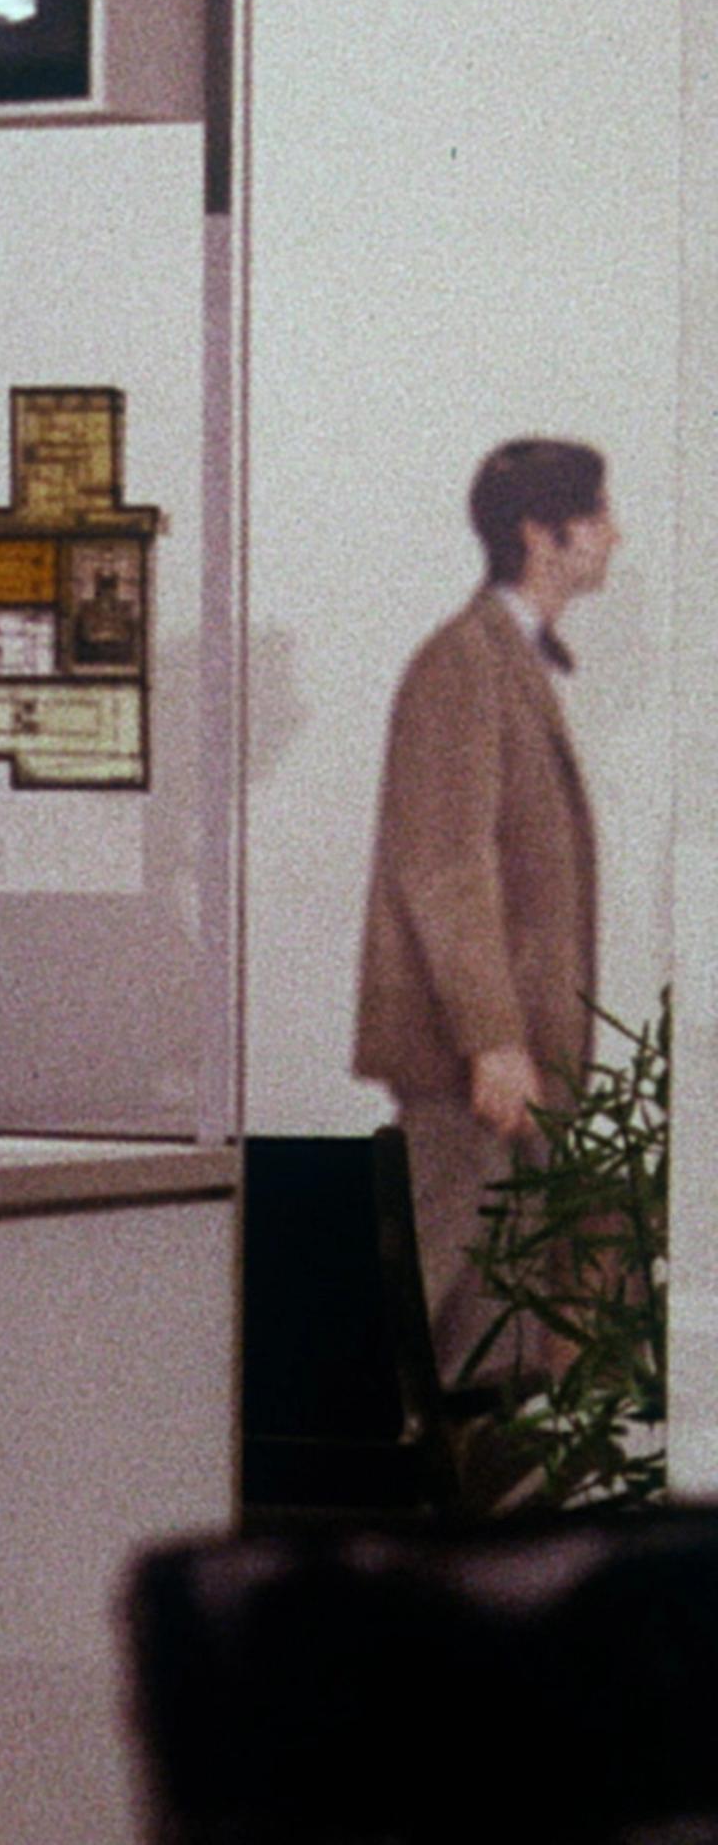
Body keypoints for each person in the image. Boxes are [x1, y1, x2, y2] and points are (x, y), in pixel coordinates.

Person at [354, 436, 614, 1384]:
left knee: (494, 1338)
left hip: (512, 1066)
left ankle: (473, 1528)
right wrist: (492, 1040)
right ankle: (414, 1531)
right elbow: (443, 865)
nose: (614, 536)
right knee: (447, 1321)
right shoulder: (462, 664)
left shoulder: (505, 660)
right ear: (543, 535)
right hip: (477, 1072)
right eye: (597, 516)